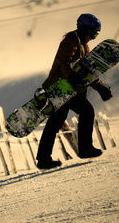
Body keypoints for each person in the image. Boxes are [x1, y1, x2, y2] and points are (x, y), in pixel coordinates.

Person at [36, 13, 113, 169]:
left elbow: (86, 70)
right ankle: (85, 149)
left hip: (68, 88)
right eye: (93, 33)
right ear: (85, 29)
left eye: (96, 34)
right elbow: (64, 63)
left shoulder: (83, 45)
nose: (93, 37)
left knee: (56, 121)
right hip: (61, 87)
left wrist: (99, 86)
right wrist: (72, 78)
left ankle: (43, 159)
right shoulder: (71, 41)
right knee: (87, 110)